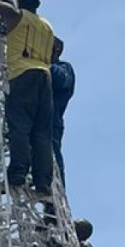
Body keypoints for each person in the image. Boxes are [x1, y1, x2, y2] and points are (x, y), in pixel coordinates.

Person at [0, 0, 55, 198]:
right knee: (42, 134)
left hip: (22, 76)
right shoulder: (47, 26)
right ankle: (43, 182)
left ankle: (18, 173)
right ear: (38, 3)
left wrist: (8, 0)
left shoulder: (16, 15)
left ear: (20, 0)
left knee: (20, 127)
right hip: (45, 78)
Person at [51, 39, 75, 189]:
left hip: (50, 122)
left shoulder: (63, 68)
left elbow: (62, 80)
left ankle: (56, 189)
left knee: (52, 156)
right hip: (29, 119)